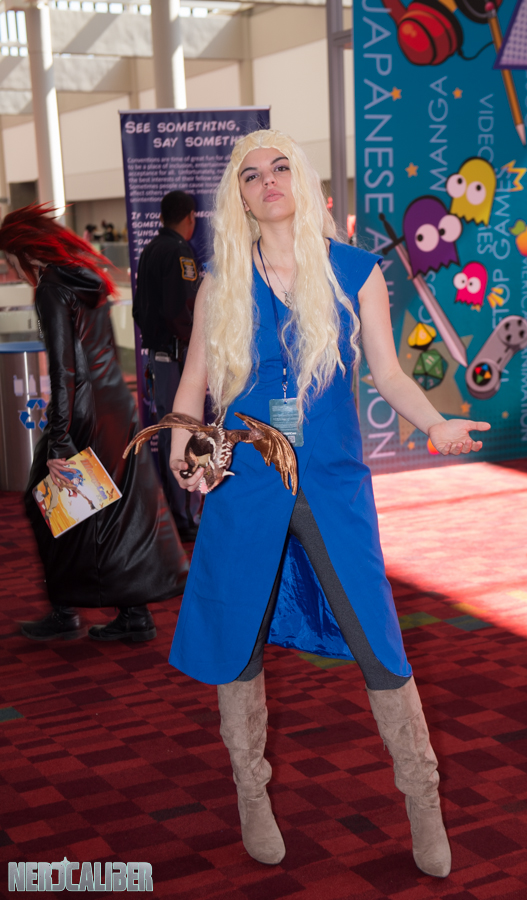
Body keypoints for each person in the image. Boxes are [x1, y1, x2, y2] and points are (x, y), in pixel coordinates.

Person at [164, 130, 491, 878]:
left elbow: (389, 373)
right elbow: (195, 381)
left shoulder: (355, 270)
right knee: (237, 644)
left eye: (280, 167)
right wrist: (181, 443)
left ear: (301, 180)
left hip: (334, 484)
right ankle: (251, 794)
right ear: (240, 198)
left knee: (379, 644)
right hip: (244, 480)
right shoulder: (221, 283)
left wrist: (434, 421)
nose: (268, 180)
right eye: (252, 174)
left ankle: (423, 799)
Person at [0, 204, 189, 643]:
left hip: (83, 413)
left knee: (47, 504)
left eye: (10, 260)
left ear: (24, 252)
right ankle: (132, 614)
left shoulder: (51, 288)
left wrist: (59, 441)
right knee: (112, 510)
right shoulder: (87, 278)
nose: (11, 269)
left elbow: (64, 370)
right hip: (114, 407)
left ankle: (66, 609)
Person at [133, 190, 202, 542]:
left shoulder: (149, 250)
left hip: (158, 357)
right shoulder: (179, 252)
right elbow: (181, 311)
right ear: (190, 217)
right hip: (177, 357)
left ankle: (176, 510)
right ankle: (186, 514)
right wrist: (196, 346)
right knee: (183, 431)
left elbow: (139, 310)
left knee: (169, 432)